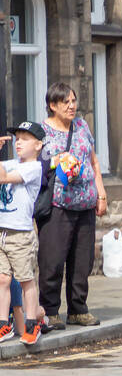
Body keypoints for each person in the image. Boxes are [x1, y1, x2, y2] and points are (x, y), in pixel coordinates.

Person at [35, 83, 108, 329]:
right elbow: (36, 164)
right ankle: (50, 310)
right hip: (57, 205)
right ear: (53, 105)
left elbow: (93, 161)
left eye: (74, 101)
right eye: (65, 102)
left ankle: (78, 309)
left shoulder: (82, 126)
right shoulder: (42, 132)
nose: (72, 106)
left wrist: (101, 194)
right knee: (52, 260)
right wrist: (57, 160)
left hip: (85, 203)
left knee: (82, 261)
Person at [0, 122, 44, 345]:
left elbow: (4, 178)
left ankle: (31, 324)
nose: (18, 143)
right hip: (2, 232)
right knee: (2, 279)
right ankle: (3, 326)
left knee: (26, 280)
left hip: (21, 234)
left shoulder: (33, 168)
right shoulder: (12, 162)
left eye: (24, 139)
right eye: (17, 138)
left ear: (38, 145)